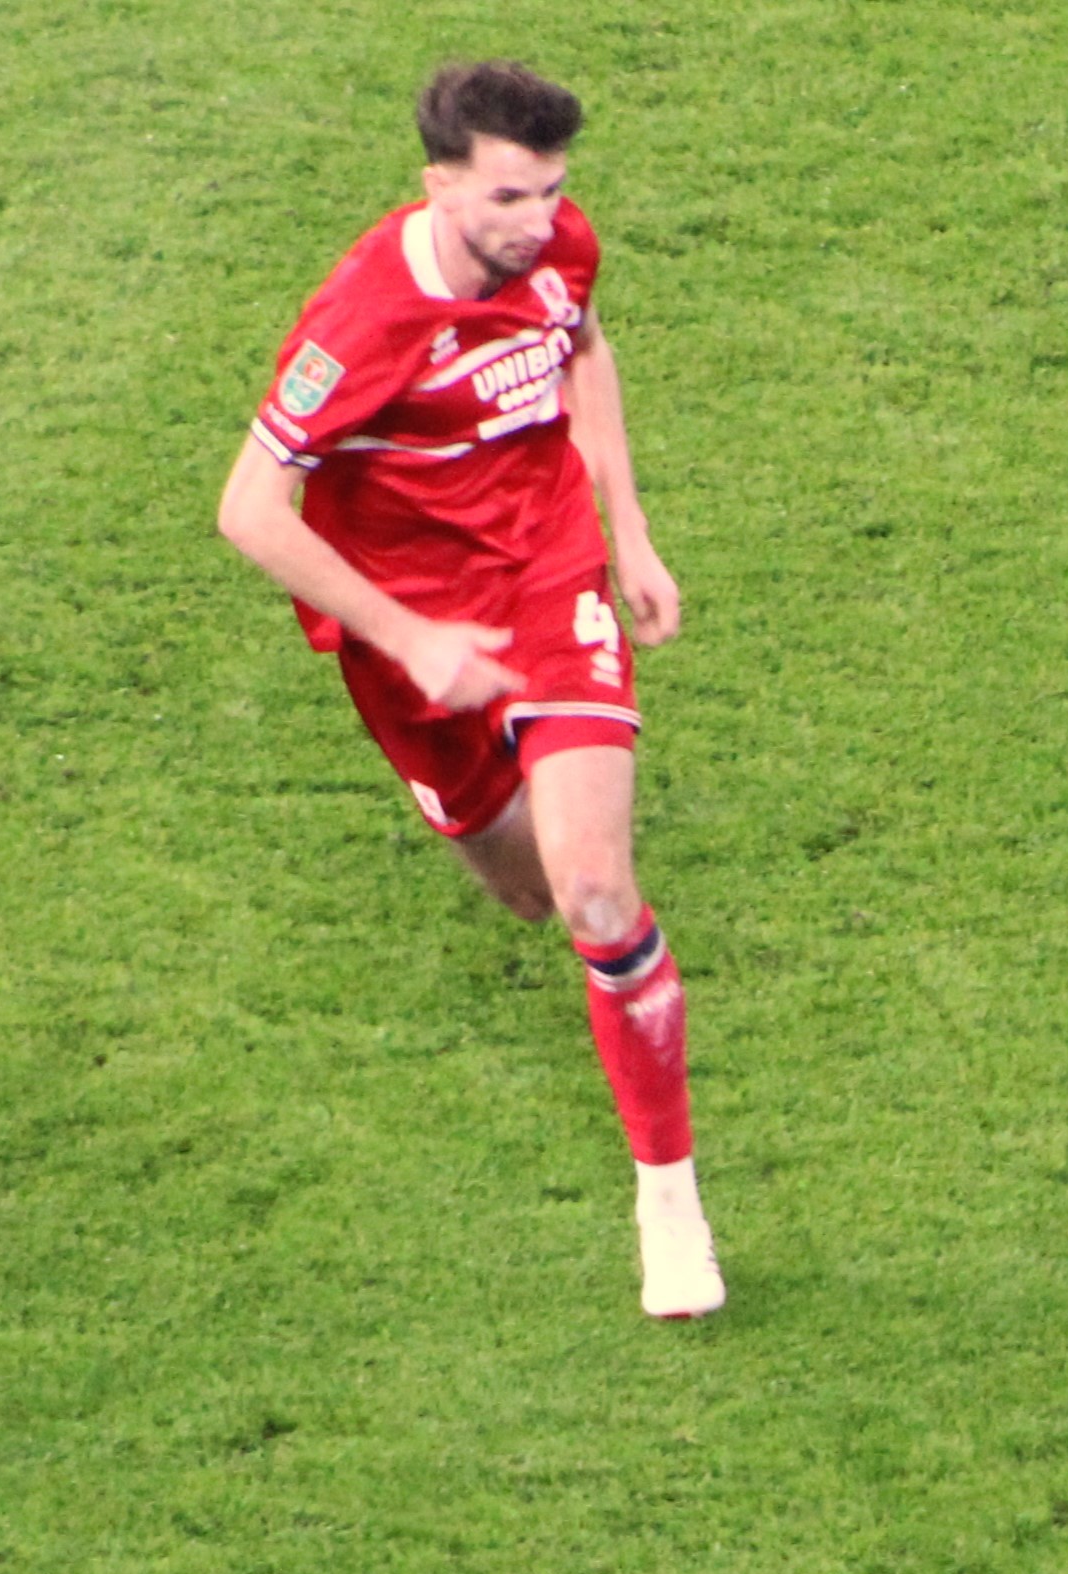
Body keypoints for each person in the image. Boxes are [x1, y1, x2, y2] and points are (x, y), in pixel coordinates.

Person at [213, 60, 721, 1320]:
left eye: (551, 190)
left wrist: (629, 531)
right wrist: (412, 638)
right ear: (437, 186)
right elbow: (248, 509)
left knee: (595, 889)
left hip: (546, 570)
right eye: (507, 197)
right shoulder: (360, 323)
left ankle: (669, 1201)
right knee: (529, 890)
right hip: (410, 633)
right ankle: (486, 793)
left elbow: (580, 344)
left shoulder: (557, 245)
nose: (537, 221)